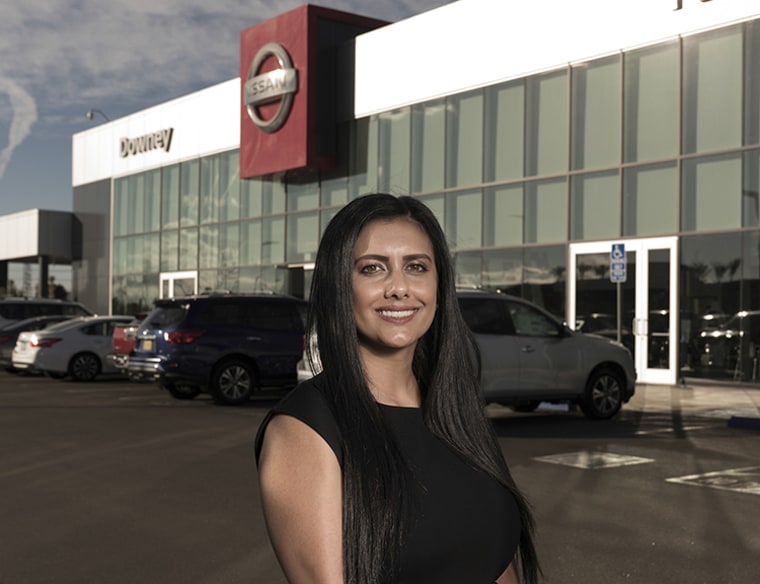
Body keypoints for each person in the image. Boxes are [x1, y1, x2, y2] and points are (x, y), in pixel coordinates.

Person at [255, 193, 540, 584]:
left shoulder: (454, 410)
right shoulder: (305, 428)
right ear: (340, 285)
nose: (399, 288)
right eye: (373, 268)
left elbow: (495, 559)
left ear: (438, 284)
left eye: (416, 266)